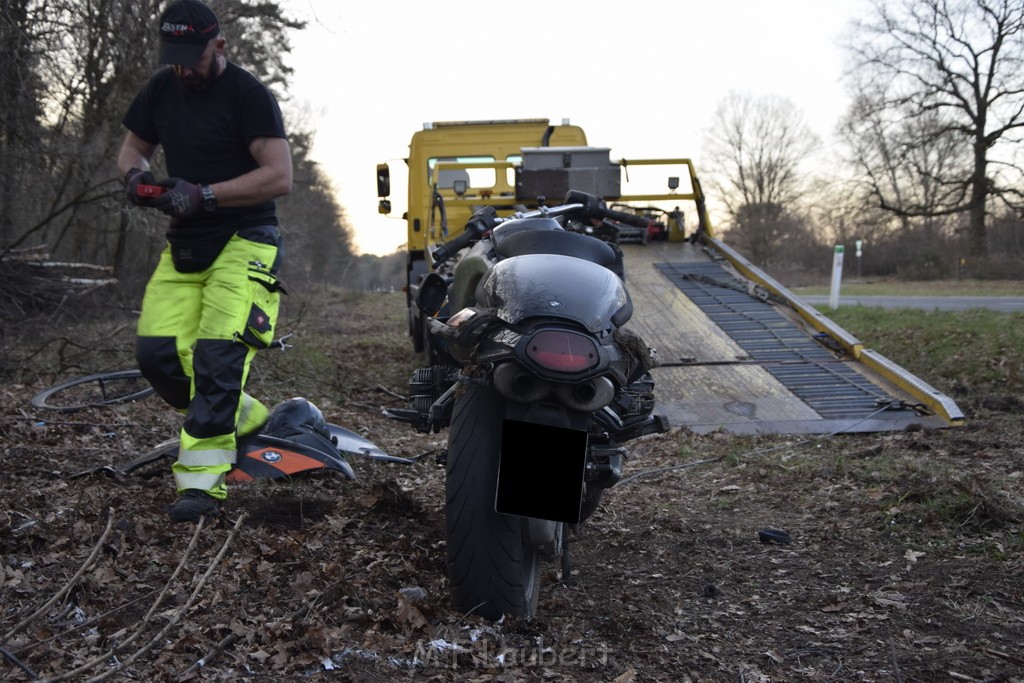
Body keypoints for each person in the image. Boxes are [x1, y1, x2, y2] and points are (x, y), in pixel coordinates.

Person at [116, 0, 292, 523]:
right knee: (159, 356)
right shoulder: (160, 89)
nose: (183, 67)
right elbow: (132, 148)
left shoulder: (248, 95)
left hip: (246, 238)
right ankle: (247, 416)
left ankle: (202, 486)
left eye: (192, 56)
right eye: (174, 57)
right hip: (186, 243)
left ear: (220, 45)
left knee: (217, 359)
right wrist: (134, 179)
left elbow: (279, 175)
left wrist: (206, 195)